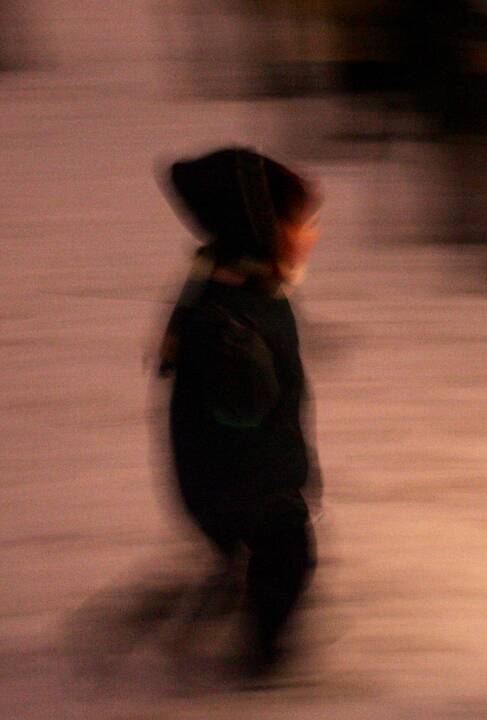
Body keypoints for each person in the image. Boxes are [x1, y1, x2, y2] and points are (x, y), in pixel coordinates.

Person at [156, 146, 322, 677]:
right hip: (248, 483)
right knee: (287, 563)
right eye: (300, 223)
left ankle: (224, 591)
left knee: (252, 559)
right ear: (259, 227)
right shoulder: (231, 318)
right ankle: (257, 675)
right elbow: (241, 411)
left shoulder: (239, 288)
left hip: (234, 478)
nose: (310, 235)